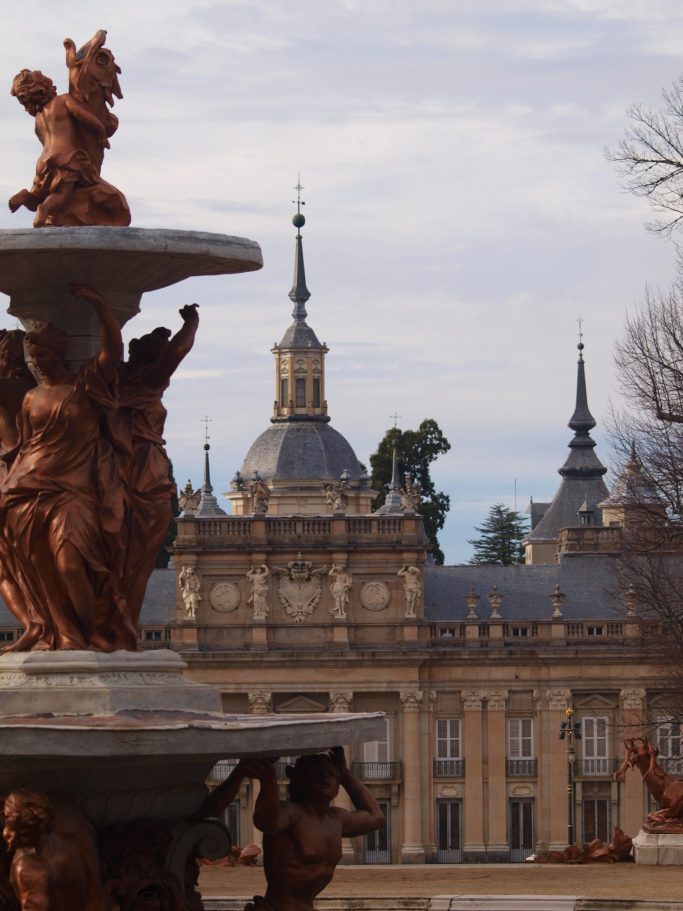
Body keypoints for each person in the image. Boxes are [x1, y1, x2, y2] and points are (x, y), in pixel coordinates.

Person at [0, 283, 132, 651]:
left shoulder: (85, 387)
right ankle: (62, 634)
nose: (36, 360)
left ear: (60, 351)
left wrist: (102, 306)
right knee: (40, 570)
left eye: (42, 352)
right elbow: (26, 447)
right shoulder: (29, 397)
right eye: (32, 354)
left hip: (73, 491)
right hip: (26, 491)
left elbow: (113, 352)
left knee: (72, 565)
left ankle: (91, 634)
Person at [197, 748, 384, 911]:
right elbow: (266, 822)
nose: (326, 777)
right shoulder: (292, 813)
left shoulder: (337, 818)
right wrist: (269, 782)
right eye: (318, 773)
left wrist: (345, 773)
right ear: (301, 778)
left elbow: (376, 817)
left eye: (332, 774)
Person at [111, 304, 199, 632]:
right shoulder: (147, 381)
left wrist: (102, 308)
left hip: (117, 465)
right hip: (142, 469)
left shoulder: (116, 379)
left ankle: (116, 624)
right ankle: (122, 627)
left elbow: (109, 348)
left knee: (124, 553)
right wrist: (192, 323)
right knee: (137, 559)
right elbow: (178, 350)